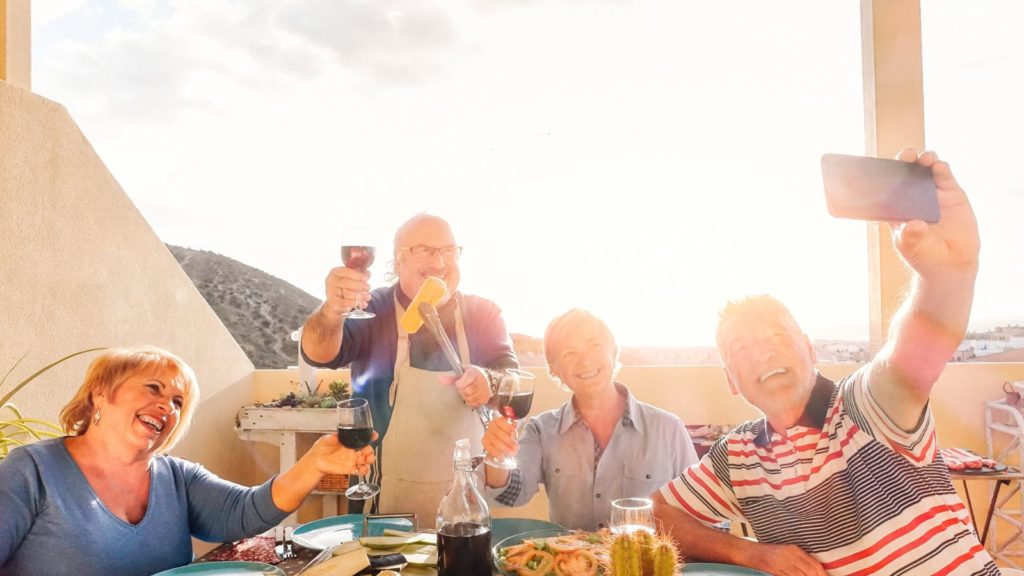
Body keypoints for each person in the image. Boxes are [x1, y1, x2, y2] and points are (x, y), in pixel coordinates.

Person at [653, 150, 997, 575]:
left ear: (811, 351)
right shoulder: (737, 456)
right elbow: (654, 514)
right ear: (732, 382)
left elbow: (918, 344)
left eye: (778, 336)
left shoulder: (865, 406)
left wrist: (949, 273)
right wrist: (752, 553)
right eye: (741, 349)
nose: (763, 352)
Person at [0, 346, 375, 576]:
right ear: (101, 394)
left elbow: (243, 512)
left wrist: (315, 464)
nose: (167, 406)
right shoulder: (31, 472)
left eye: (178, 403)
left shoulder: (176, 477)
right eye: (153, 388)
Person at [301, 214, 518, 522]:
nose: (440, 262)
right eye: (425, 250)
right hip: (383, 513)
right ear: (398, 261)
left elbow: (513, 379)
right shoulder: (372, 307)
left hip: (465, 510)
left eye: (448, 250)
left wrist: (490, 381)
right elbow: (318, 353)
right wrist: (332, 311)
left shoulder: (483, 313)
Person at [481, 308, 698, 530]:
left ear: (613, 352)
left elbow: (702, 514)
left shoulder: (668, 429)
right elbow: (511, 494)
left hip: (644, 563)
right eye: (569, 353)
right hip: (571, 563)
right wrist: (497, 453)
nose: (585, 361)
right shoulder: (541, 430)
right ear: (554, 370)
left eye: (594, 346)